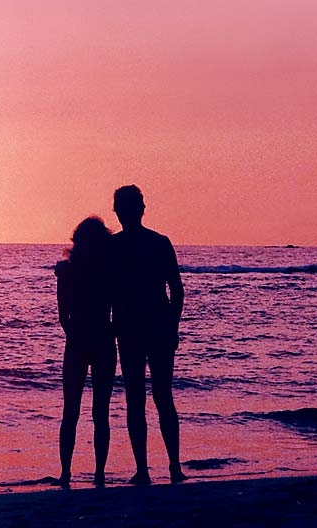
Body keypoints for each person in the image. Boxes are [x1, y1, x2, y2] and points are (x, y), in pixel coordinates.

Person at [110, 185, 186, 484]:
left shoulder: (115, 247)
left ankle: (146, 469)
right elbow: (177, 291)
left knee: (139, 399)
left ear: (118, 211)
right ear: (141, 209)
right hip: (152, 327)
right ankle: (171, 467)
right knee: (160, 396)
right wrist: (173, 326)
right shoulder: (158, 243)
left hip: (134, 328)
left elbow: (101, 289)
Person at [54, 216, 117, 487]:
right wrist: (111, 330)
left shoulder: (67, 272)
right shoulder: (109, 271)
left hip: (78, 341)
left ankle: (66, 473)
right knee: (100, 412)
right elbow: (120, 309)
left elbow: (63, 315)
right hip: (103, 340)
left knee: (71, 411)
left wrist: (74, 334)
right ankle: (99, 473)